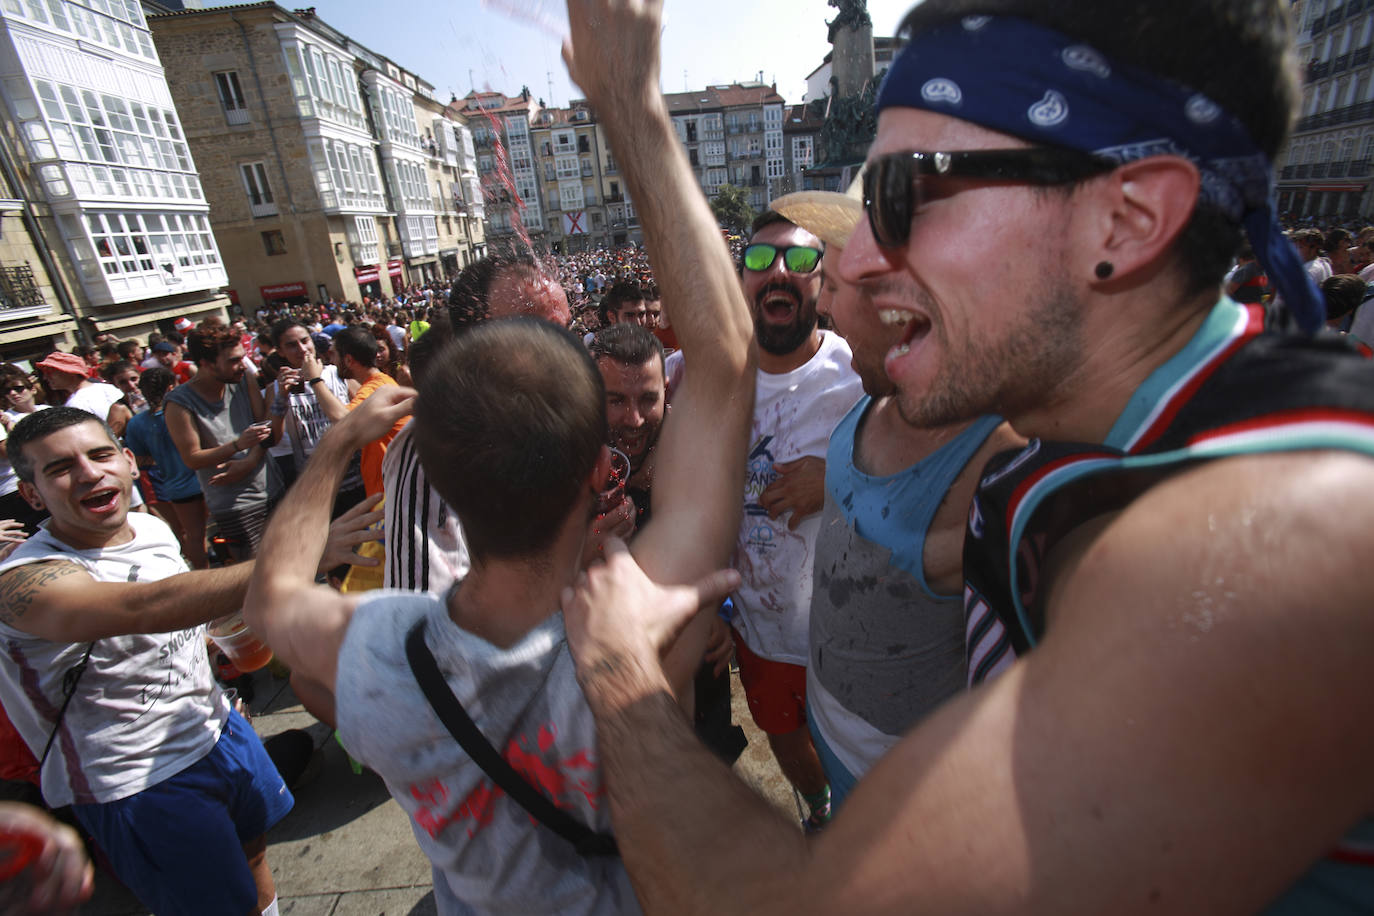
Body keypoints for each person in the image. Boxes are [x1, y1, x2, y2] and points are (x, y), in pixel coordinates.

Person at [557, 0, 1374, 913]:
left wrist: (621, 673)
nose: (851, 264)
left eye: (907, 197)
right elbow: (718, 357)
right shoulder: (1119, 436)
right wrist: (631, 102)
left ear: (1128, 221)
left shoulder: (1281, 538)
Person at [241, 2, 757, 905]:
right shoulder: (641, 626)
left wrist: (328, 454)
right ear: (598, 470)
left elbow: (271, 599)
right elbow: (723, 355)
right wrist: (631, 101)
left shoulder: (383, 652)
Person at [0, 407, 376, 916]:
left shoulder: (148, 526)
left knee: (256, 862)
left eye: (100, 454)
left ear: (129, 461)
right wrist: (303, 548)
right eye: (60, 468)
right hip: (138, 782)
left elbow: (178, 620)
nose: (90, 473)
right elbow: (144, 608)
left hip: (219, 732)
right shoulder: (21, 582)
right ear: (31, 495)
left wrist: (217, 681)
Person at [768, 180, 1022, 809]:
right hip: (829, 729)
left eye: (832, 283)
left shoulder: (998, 460)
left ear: (900, 299)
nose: (822, 307)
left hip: (906, 790)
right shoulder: (868, 400)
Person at [714, 209, 863, 830]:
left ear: (821, 281)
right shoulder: (710, 373)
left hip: (849, 631)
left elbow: (931, 460)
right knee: (784, 737)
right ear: (741, 277)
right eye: (760, 259)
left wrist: (833, 481)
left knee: (856, 758)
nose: (778, 272)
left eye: (800, 261)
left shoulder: (858, 371)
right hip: (759, 628)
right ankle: (823, 816)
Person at [164, 323, 278, 562]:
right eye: (233, 360)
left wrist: (280, 396)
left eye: (243, 358)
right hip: (236, 504)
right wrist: (238, 445)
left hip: (272, 487)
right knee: (254, 575)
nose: (242, 365)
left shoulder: (244, 378)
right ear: (205, 363)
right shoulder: (179, 403)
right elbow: (192, 457)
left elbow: (263, 428)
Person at [298, 326, 405, 499]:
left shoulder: (376, 387)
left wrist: (315, 380)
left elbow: (343, 420)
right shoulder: (379, 383)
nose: (330, 360)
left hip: (391, 493)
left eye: (334, 354)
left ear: (348, 360)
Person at [265, 319, 365, 505]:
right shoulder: (276, 389)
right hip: (315, 487)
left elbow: (363, 417)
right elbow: (273, 439)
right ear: (280, 351)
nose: (302, 349)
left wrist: (315, 378)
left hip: (356, 479)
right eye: (292, 345)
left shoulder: (339, 374)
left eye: (305, 341)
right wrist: (281, 397)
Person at [125, 367, 208, 569]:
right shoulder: (187, 411)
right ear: (171, 386)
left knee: (194, 536)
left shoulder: (136, 423)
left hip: (177, 487)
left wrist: (161, 457)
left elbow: (139, 459)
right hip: (208, 478)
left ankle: (202, 579)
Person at [34, 352, 130, 437]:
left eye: (50, 373)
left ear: (68, 371)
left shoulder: (74, 406)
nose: (45, 378)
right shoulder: (107, 387)